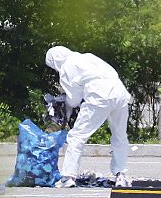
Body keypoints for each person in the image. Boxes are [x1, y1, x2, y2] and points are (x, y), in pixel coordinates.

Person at [45, 46, 132, 188]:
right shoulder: (88, 56)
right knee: (120, 136)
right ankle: (120, 176)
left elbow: (73, 100)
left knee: (76, 136)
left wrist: (64, 102)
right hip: (120, 94)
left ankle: (68, 176)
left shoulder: (67, 67)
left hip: (99, 97)